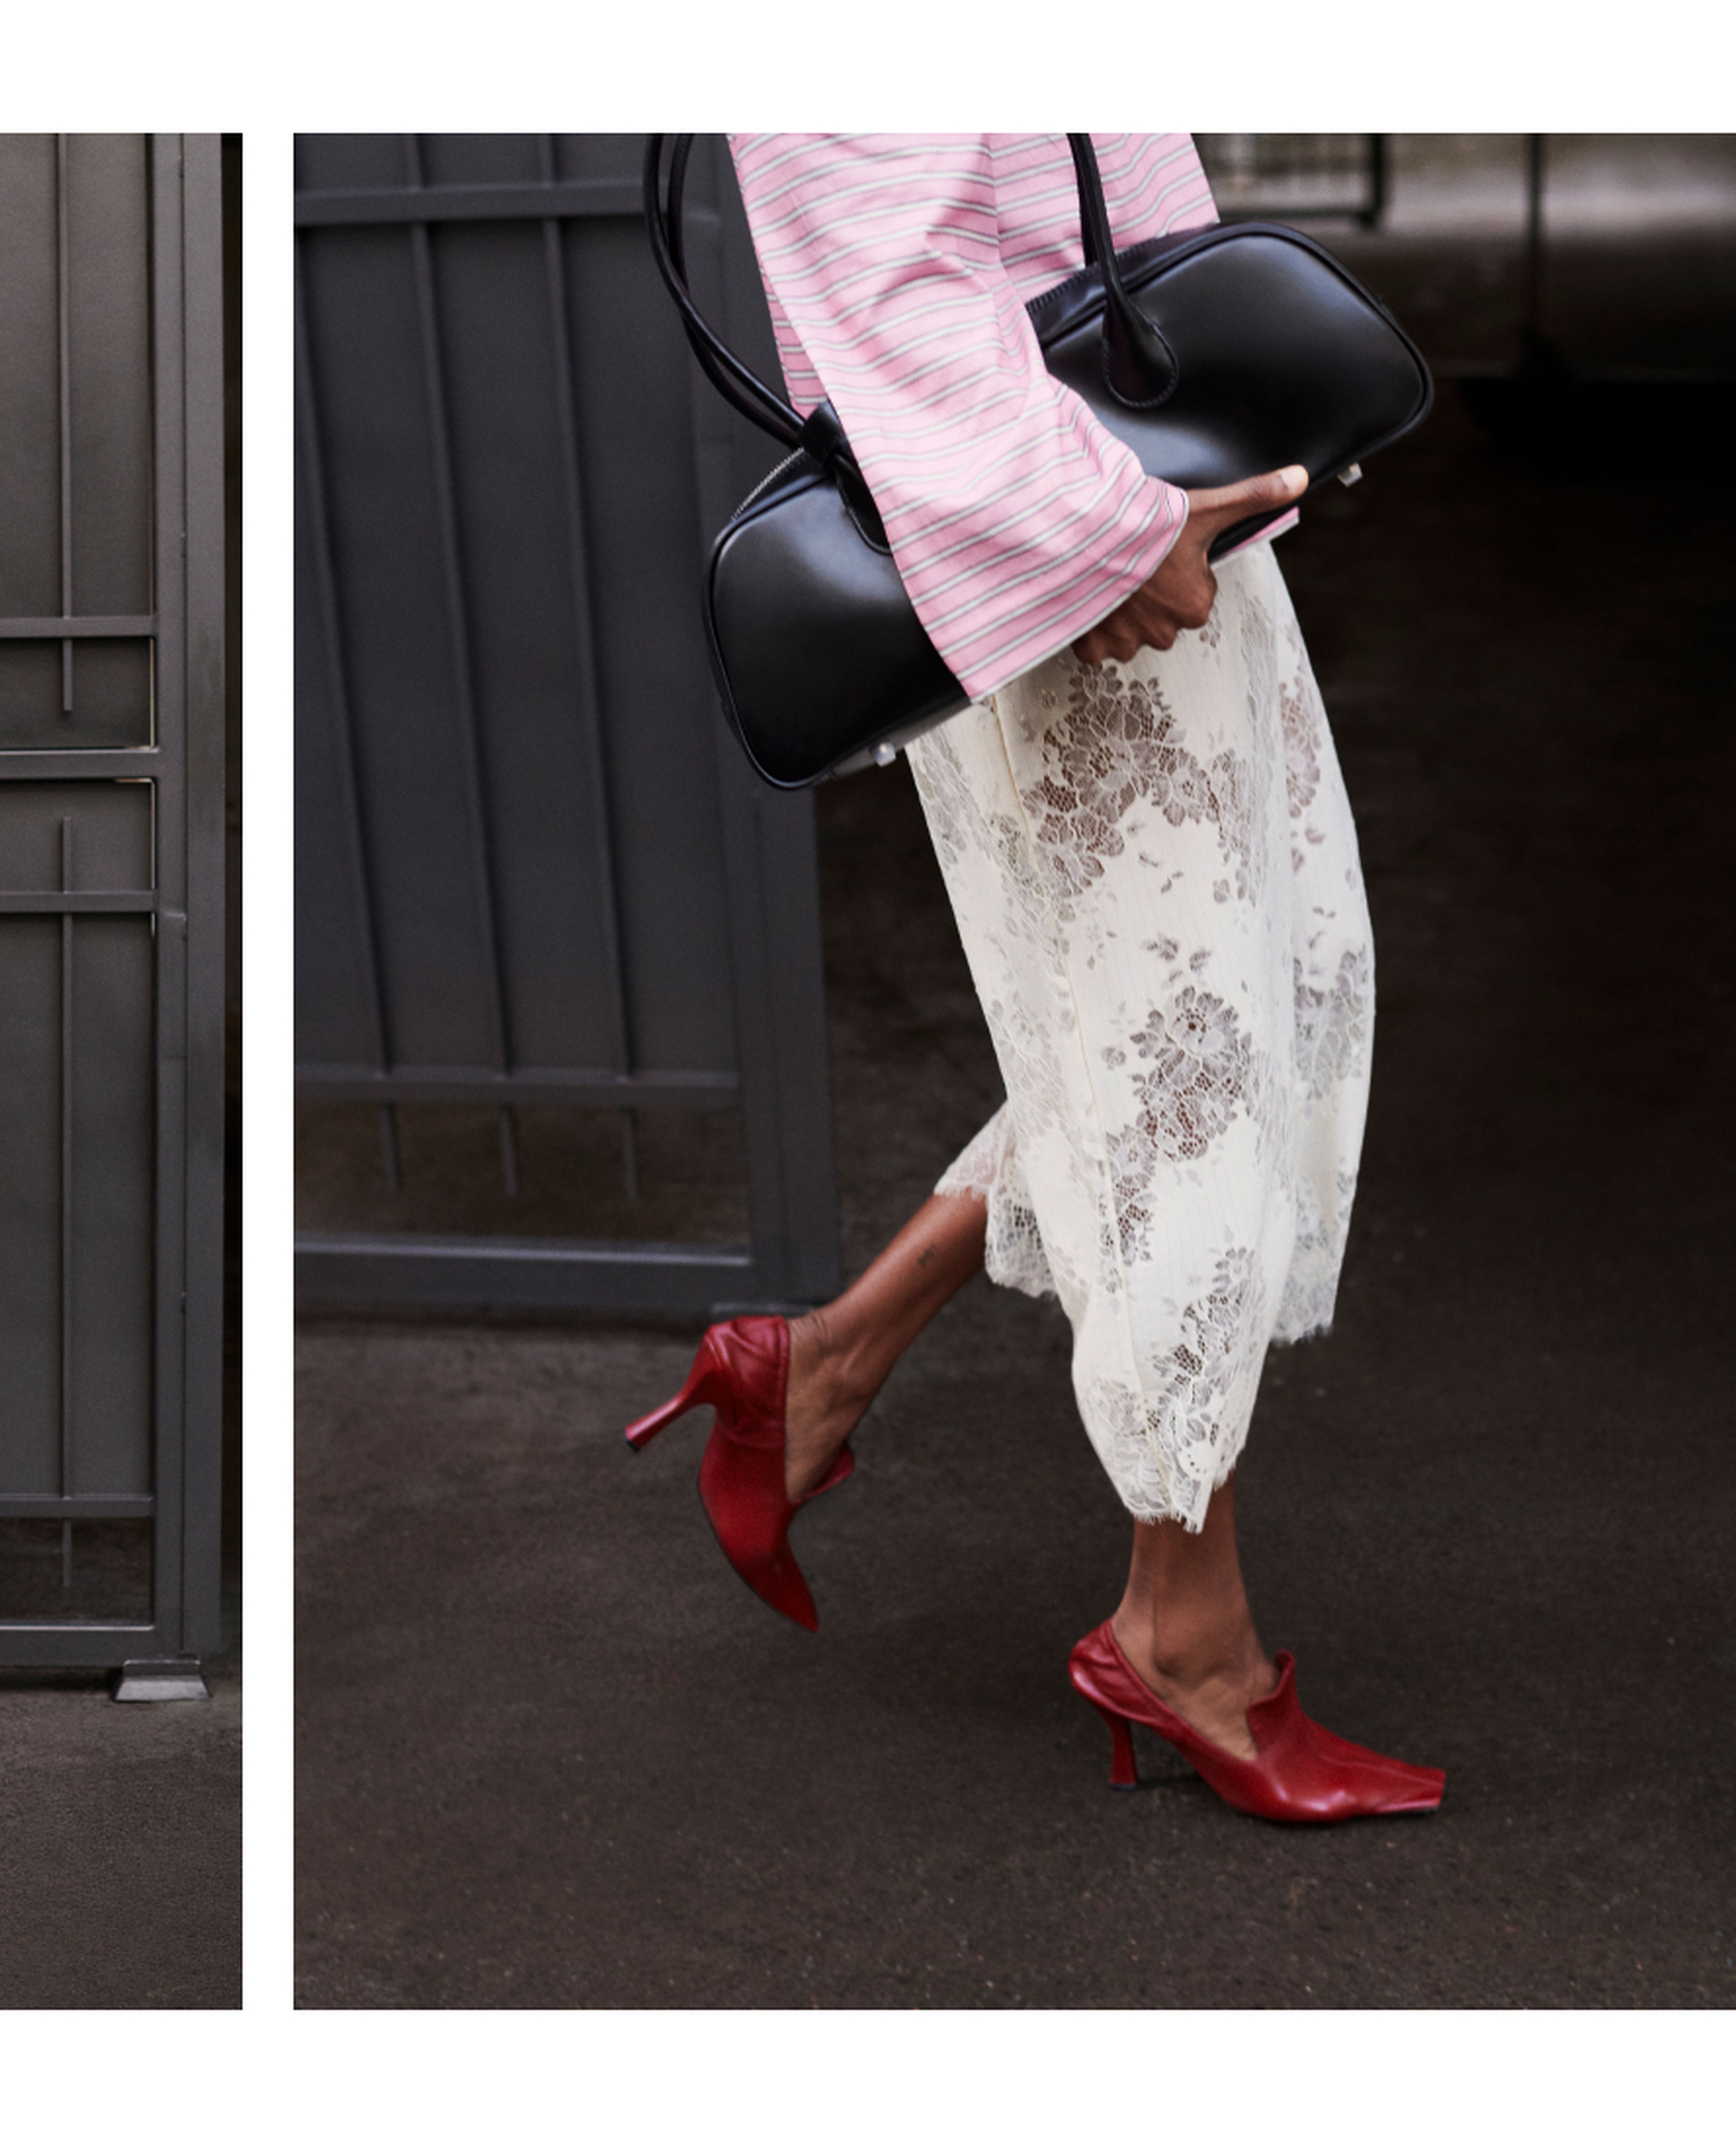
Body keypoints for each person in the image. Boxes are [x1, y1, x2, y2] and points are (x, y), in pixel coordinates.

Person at [625, 135, 1442, 1823]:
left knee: (1254, 997)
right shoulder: (1086, 533)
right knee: (1183, 1061)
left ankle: (826, 1361)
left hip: (1133, 490)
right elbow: (886, 269)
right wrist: (1107, 532)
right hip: (1064, 537)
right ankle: (1186, 1632)